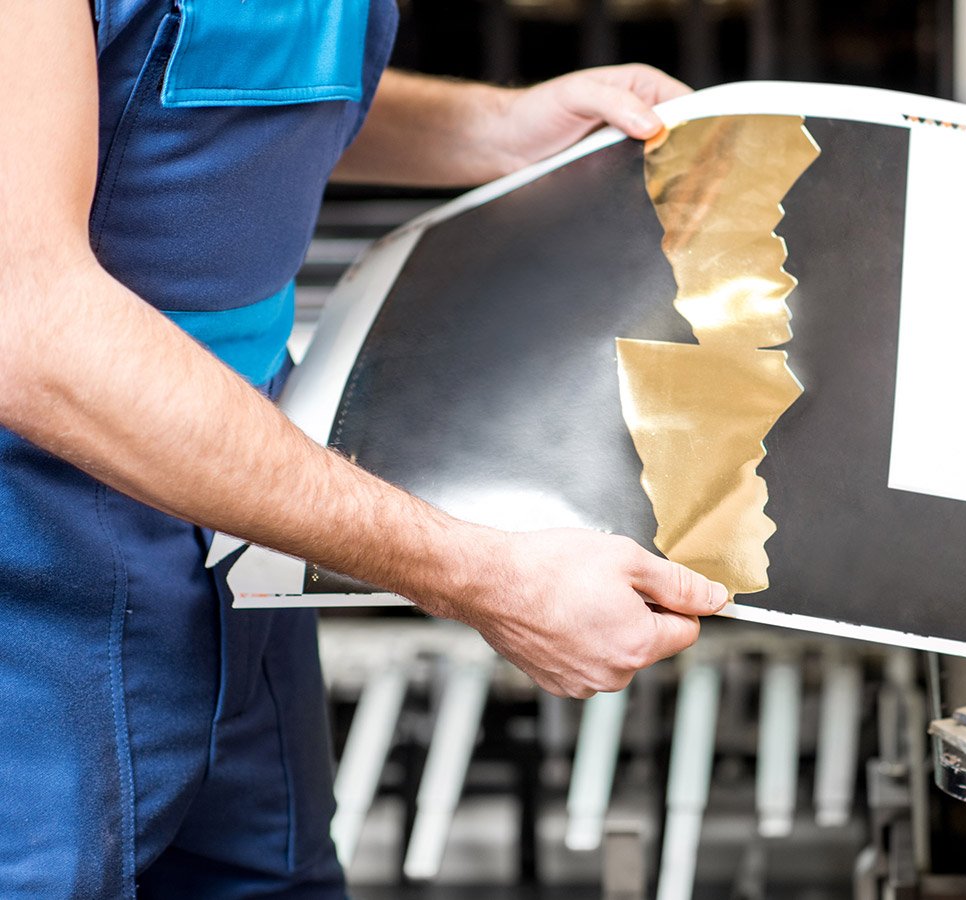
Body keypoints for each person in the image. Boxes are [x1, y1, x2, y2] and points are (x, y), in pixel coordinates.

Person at [0, 1, 725, 895]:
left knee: (266, 878)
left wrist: (491, 127)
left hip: (239, 509)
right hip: (37, 559)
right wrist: (481, 574)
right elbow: (26, 326)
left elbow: (209, 87)